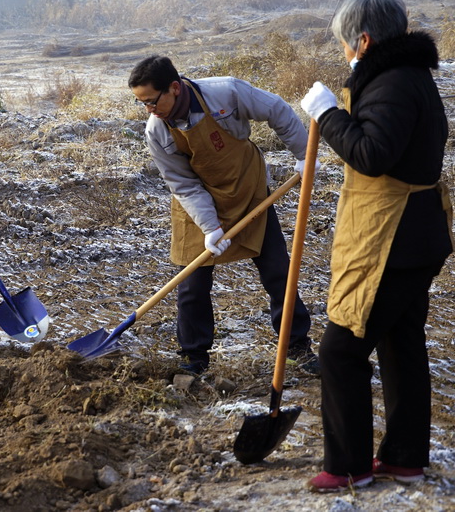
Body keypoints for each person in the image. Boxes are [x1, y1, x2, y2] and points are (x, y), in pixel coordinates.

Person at [301, 0, 453, 493]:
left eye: (347, 45)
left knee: (341, 349)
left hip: (392, 237)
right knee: (400, 340)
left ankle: (348, 466)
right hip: (418, 235)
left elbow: (370, 154)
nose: (346, 53)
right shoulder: (412, 77)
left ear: (363, 40)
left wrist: (327, 114)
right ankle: (405, 458)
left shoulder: (391, 83)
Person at [128, 55, 320, 375]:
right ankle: (193, 357)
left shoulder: (226, 93)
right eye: (141, 103)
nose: (148, 109)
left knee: (277, 272)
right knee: (192, 284)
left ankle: (297, 346)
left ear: (174, 88)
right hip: (197, 203)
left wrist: (304, 155)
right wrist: (210, 226)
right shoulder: (157, 132)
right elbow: (184, 185)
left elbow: (276, 110)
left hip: (248, 191)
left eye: (151, 101)